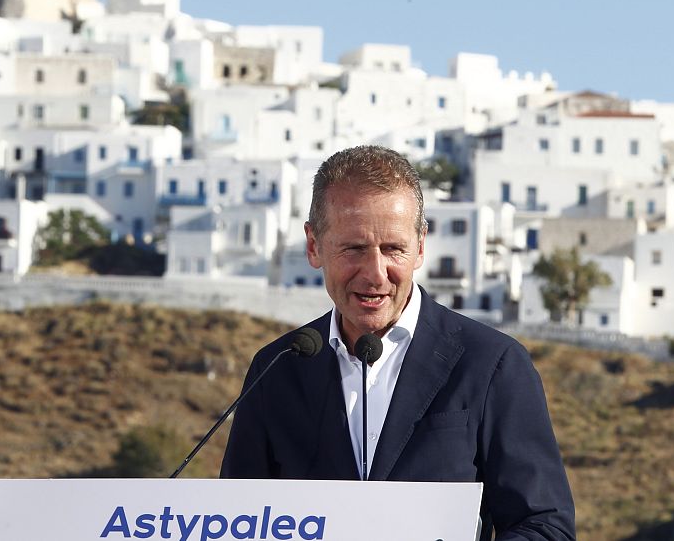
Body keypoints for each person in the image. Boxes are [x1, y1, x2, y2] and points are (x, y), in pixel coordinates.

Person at [220, 145, 575, 541]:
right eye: (354, 249)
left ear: (420, 245)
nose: (375, 274)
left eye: (393, 249)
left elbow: (545, 527)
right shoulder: (275, 369)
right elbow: (237, 521)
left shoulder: (493, 365)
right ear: (313, 245)